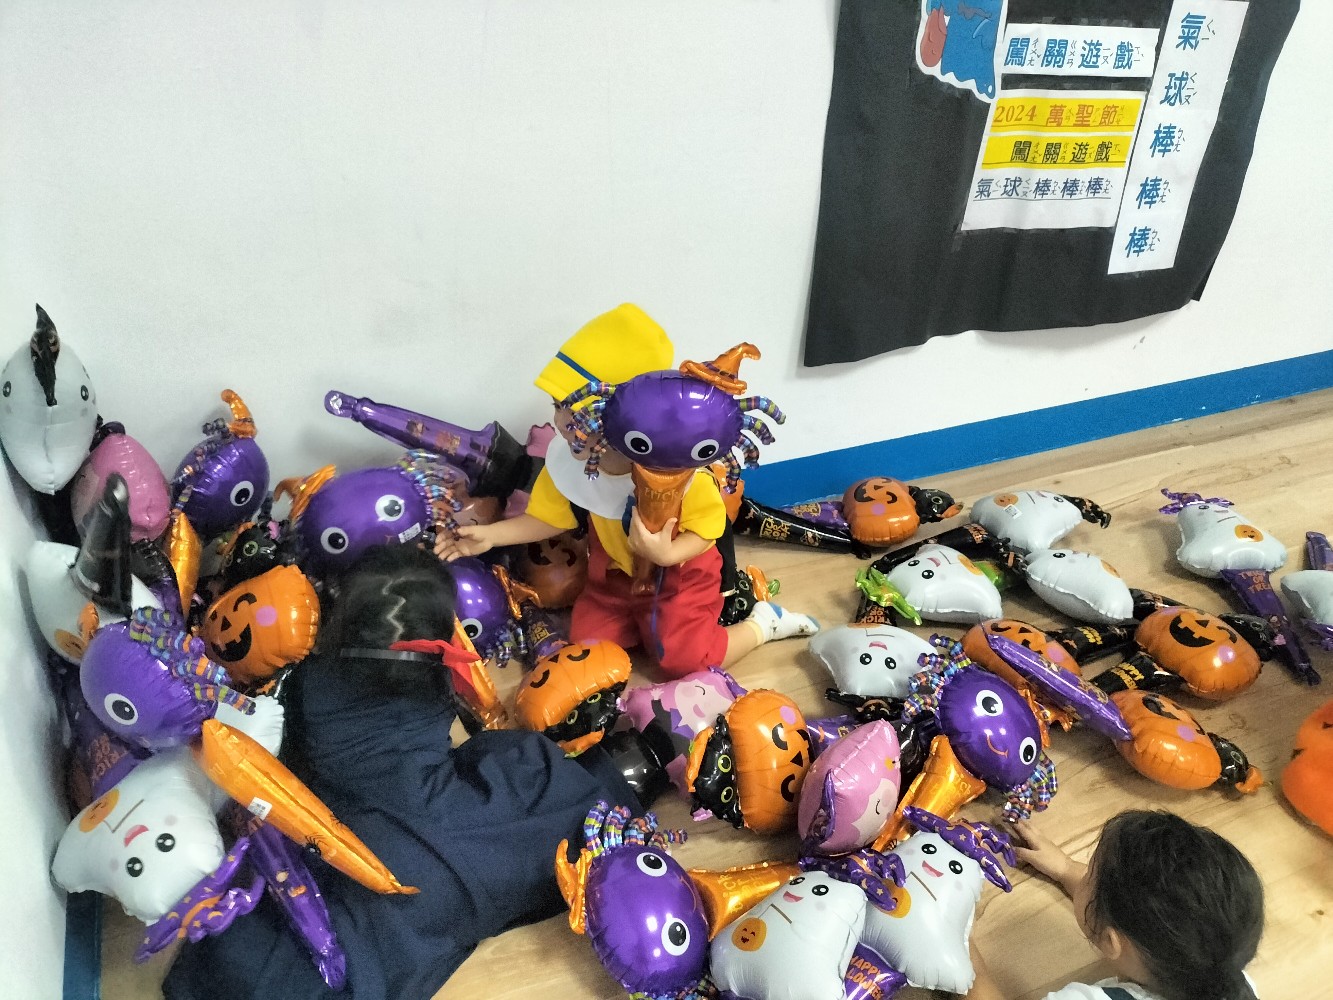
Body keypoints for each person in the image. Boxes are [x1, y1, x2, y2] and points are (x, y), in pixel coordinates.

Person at [163, 545, 654, 1000]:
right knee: (534, 778)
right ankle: (636, 764)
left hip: (342, 834)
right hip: (406, 843)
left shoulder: (306, 676)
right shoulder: (430, 684)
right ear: (438, 643)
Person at [436, 303, 818, 678]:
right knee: (588, 646)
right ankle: (643, 622)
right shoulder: (571, 461)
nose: (561, 421)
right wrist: (490, 536)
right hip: (615, 577)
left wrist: (667, 553)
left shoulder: (679, 472)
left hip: (681, 579)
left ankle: (763, 624)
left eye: (576, 412)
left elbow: (707, 531)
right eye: (557, 405)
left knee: (683, 661)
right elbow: (549, 518)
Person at [965, 811, 1265, 1000]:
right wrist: (1065, 868)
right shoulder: (1227, 974)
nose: (1084, 873)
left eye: (1090, 874)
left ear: (1111, 942)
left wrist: (959, 943)